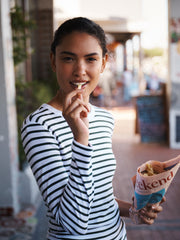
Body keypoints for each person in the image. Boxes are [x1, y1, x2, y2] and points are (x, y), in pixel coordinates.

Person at [21, 17, 165, 240]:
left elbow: (99, 198)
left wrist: (136, 210)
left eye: (91, 59)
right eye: (68, 58)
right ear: (53, 61)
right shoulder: (39, 126)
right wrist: (80, 138)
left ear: (104, 63)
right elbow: (74, 223)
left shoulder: (104, 118)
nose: (80, 71)